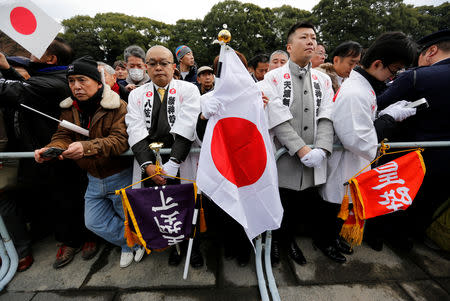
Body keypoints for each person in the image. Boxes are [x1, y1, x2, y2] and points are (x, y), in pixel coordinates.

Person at [34, 56, 143, 268]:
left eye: (82, 80)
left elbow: (120, 141)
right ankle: (131, 241)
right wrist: (51, 148)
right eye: (72, 81)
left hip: (119, 175)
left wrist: (86, 147)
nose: (76, 86)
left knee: (128, 217)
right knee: (94, 222)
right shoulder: (69, 108)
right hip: (92, 178)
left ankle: (130, 245)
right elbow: (62, 135)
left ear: (99, 83)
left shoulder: (117, 106)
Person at [0, 38, 97, 270]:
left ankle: (88, 237)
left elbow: (15, 91)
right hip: (45, 152)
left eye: (35, 52)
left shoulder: (58, 81)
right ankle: (68, 240)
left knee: (76, 196)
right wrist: (7, 69)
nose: (30, 56)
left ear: (50, 59)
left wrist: (6, 74)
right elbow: (25, 88)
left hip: (66, 153)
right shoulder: (47, 78)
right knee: (56, 199)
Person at [319, 32, 417, 256]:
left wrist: (384, 114)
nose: (395, 76)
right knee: (333, 204)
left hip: (352, 162)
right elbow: (359, 141)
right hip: (344, 159)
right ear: (377, 63)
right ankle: (325, 242)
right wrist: (389, 118)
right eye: (395, 70)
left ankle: (332, 238)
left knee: (342, 204)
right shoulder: (356, 91)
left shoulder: (363, 86)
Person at [259, 22, 335, 266]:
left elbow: (327, 113)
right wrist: (301, 148)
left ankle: (293, 240)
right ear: (290, 46)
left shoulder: (323, 79)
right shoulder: (272, 77)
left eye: (313, 37)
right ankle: (279, 243)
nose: (311, 41)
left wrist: (322, 148)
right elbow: (275, 116)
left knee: (305, 202)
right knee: (281, 201)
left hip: (315, 154)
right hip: (284, 155)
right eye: (304, 37)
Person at [125, 45, 203, 268]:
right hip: (150, 161)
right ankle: (174, 246)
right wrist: (148, 165)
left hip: (182, 158)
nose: (158, 68)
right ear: (146, 67)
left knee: (188, 205)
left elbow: (187, 124)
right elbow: (135, 129)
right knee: (162, 207)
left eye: (164, 63)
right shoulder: (137, 95)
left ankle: (193, 247)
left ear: (174, 66)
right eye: (152, 63)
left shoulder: (188, 89)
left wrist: (173, 164)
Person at [373, 29, 450, 249]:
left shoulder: (416, 76)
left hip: (406, 154)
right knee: (428, 201)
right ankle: (406, 239)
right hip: (445, 160)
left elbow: (378, 104)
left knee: (392, 196)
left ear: (432, 51)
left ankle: (378, 236)